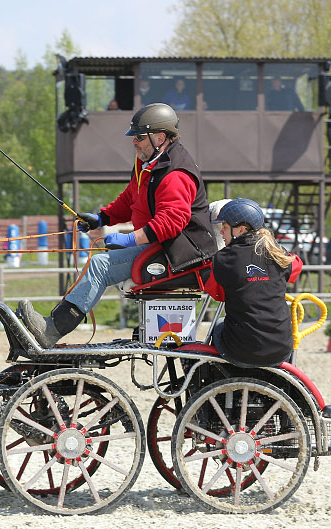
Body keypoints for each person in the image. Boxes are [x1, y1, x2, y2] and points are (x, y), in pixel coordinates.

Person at [18, 103, 217, 348]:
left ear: (160, 137)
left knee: (100, 265)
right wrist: (101, 218)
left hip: (181, 254)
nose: (134, 142)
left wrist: (130, 239)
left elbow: (172, 223)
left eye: (140, 137)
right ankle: (52, 325)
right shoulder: (148, 163)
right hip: (164, 246)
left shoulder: (175, 173)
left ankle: (52, 330)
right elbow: (131, 199)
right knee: (101, 262)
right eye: (134, 137)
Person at [204, 199, 302, 367]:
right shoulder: (278, 253)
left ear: (241, 229)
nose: (221, 233)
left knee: (219, 326)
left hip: (240, 350)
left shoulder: (223, 259)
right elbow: (296, 268)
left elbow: (217, 293)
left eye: (225, 228)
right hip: (280, 349)